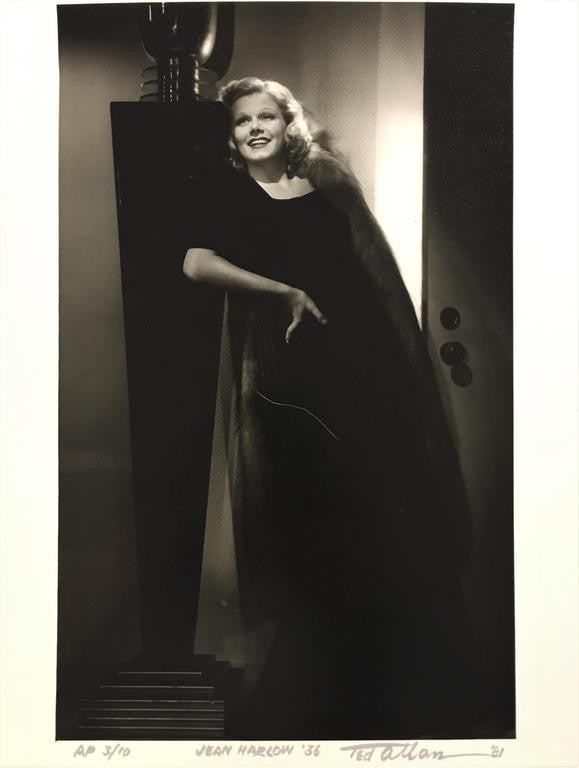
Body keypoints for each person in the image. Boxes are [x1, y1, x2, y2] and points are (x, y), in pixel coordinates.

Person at [182, 78, 479, 738]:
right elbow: (196, 264)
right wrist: (282, 292)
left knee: (372, 517)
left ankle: (383, 693)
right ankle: (312, 695)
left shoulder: (329, 184)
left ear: (289, 124)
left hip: (360, 369)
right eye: (242, 121)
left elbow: (372, 278)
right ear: (231, 136)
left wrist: (388, 372)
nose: (255, 128)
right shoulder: (228, 193)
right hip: (287, 378)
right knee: (311, 522)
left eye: (266, 116)